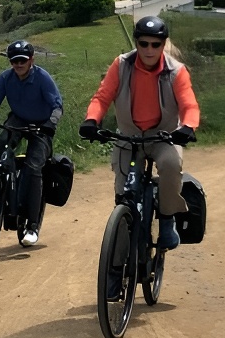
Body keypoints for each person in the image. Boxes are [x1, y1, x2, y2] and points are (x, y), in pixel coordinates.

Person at [79, 16, 199, 250]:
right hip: (129, 137)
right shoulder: (121, 65)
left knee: (171, 166)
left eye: (155, 44)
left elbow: (189, 105)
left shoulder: (177, 72)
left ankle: (166, 221)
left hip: (164, 136)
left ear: (164, 45)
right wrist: (92, 120)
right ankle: (122, 239)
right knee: (123, 194)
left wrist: (187, 126)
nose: (149, 49)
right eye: (144, 44)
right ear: (136, 43)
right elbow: (102, 97)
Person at [0, 39, 63, 247]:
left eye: (22, 60)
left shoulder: (42, 78)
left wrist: (51, 123)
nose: (18, 65)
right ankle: (1, 181)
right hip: (19, 119)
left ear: (31, 60)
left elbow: (57, 105)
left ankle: (32, 225)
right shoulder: (6, 78)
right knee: (3, 140)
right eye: (14, 61)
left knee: (33, 167)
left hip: (41, 125)